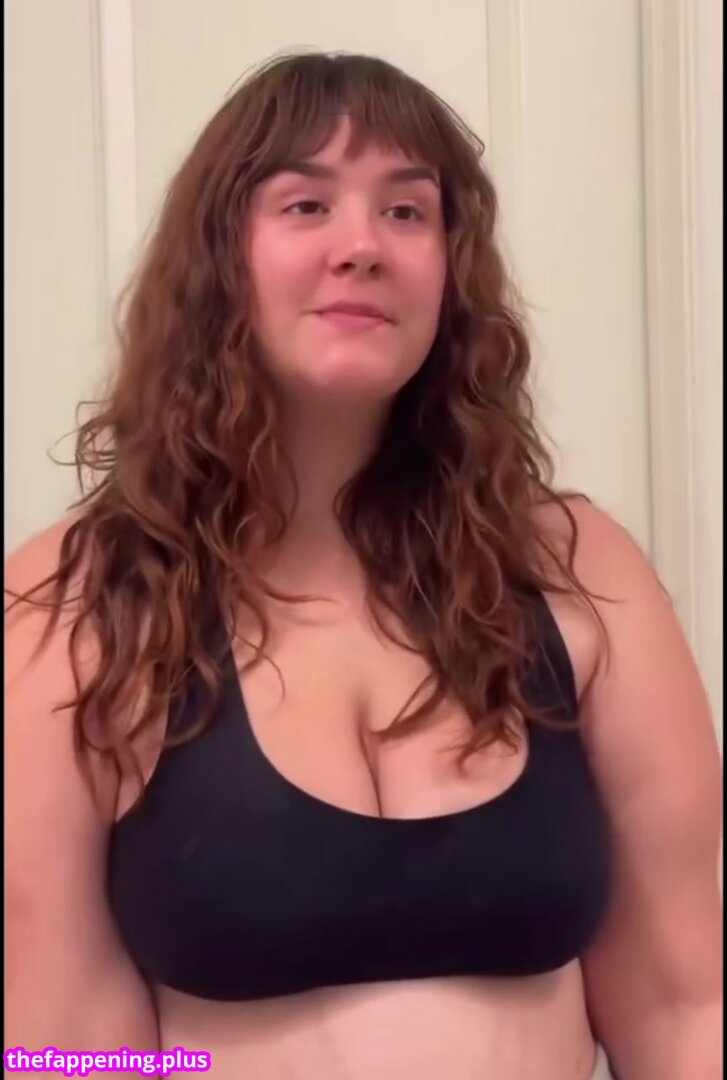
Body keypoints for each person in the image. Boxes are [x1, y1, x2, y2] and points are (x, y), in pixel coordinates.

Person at [4, 51, 722, 1080]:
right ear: (218, 258)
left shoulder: (575, 571)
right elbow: (58, 1050)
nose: (361, 247)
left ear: (450, 269)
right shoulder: (72, 608)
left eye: (405, 211)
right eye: (305, 205)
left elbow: (686, 1009)